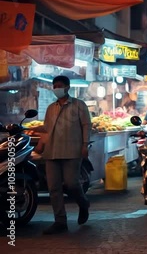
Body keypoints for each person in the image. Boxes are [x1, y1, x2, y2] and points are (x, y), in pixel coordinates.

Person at [33, 75, 91, 234]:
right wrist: (40, 145)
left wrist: (85, 145)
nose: (56, 89)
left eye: (59, 86)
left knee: (72, 183)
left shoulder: (79, 105)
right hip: (52, 152)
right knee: (53, 188)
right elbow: (47, 129)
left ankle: (83, 203)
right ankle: (60, 221)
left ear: (67, 87)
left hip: (72, 150)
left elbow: (87, 125)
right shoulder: (51, 108)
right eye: (55, 86)